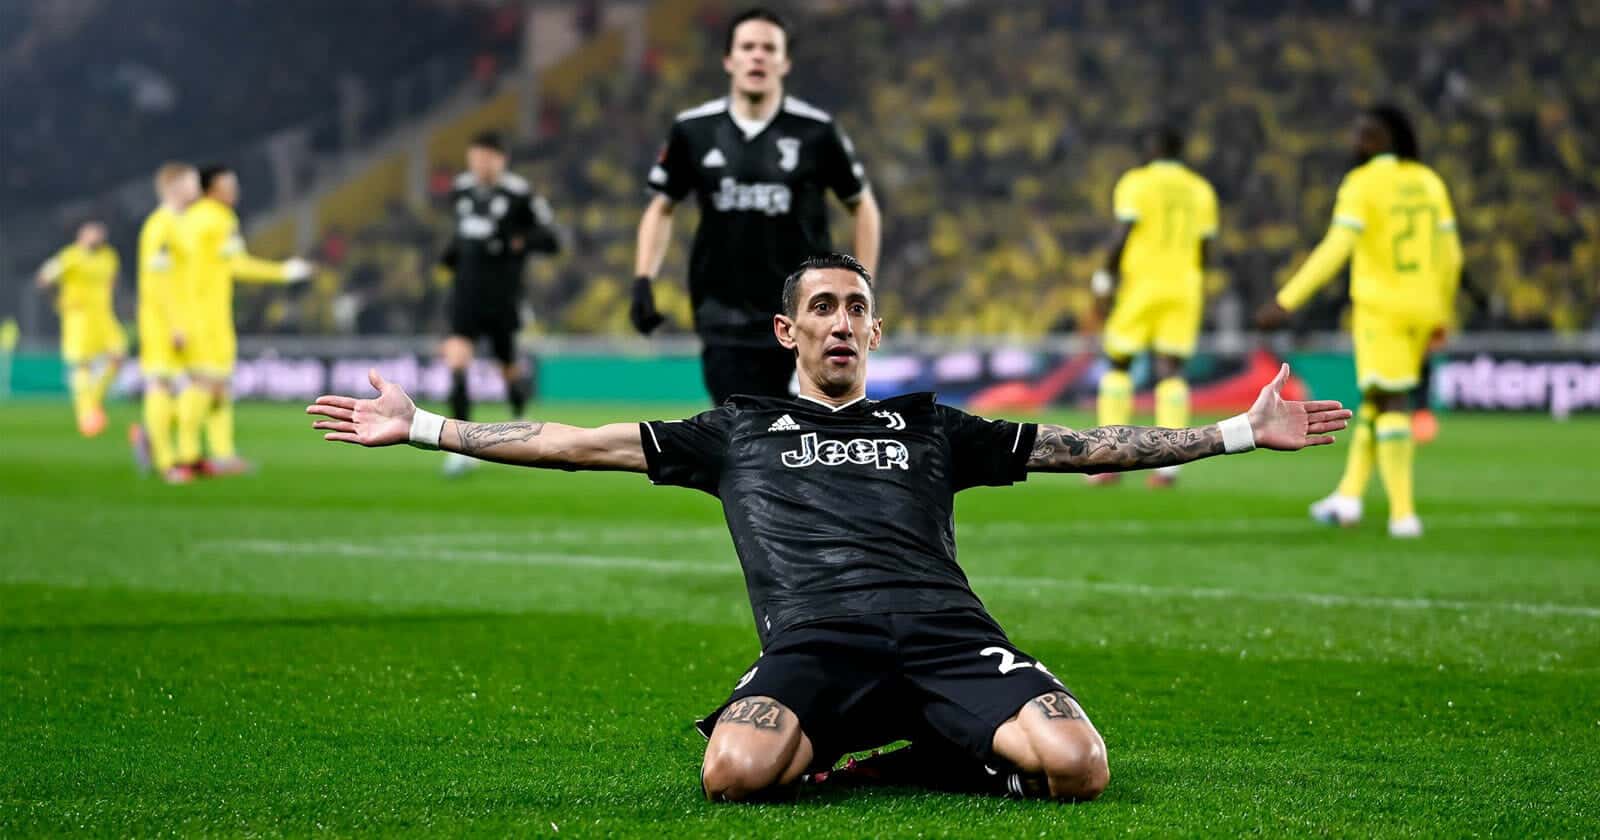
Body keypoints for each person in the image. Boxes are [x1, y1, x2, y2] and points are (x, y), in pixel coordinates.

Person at [307, 253, 1350, 803]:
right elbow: (573, 442)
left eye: (856, 308)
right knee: (731, 776)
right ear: (788, 329)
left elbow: (1082, 445)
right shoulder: (736, 430)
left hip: (947, 635)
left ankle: (908, 751)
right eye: (823, 308)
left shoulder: (930, 425)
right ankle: (904, 740)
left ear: (875, 330)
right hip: (817, 643)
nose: (841, 322)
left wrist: (1237, 434)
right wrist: (425, 426)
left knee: (1080, 767)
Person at [631, 7, 881, 405]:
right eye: (748, 47)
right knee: (743, 429)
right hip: (723, 315)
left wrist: (861, 288)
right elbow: (662, 207)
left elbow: (862, 205)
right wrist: (643, 279)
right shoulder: (693, 131)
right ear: (729, 60)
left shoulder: (816, 132)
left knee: (808, 426)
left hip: (806, 314)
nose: (758, 56)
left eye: (769, 48)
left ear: (785, 62)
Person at [1257, 105, 1461, 538]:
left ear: (1383, 138)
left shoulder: (1363, 183)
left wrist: (1286, 300)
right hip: (1425, 305)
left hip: (1382, 308)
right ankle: (1348, 496)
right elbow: (1452, 255)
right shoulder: (1429, 182)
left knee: (1391, 402)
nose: (1355, 142)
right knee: (1375, 399)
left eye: (1363, 134)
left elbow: (1337, 247)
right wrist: (1441, 312)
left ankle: (1403, 515)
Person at [1089, 124, 1220, 488]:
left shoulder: (1137, 182)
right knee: (1171, 371)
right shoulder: (1201, 189)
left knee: (1119, 363)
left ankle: (1109, 460)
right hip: (1184, 287)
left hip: (1142, 285)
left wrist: (1104, 279)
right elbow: (1205, 249)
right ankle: (1168, 467)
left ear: (1155, 147)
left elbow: (1122, 234)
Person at [174, 164, 314, 477]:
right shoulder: (220, 219)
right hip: (206, 318)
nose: (235, 191)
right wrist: (283, 272)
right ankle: (186, 456)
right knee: (206, 383)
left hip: (198, 314)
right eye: (229, 185)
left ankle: (219, 455)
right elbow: (238, 265)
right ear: (212, 189)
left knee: (217, 386)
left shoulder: (189, 219)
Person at [438, 131, 560, 477]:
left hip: (503, 297)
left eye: (486, 157)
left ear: (500, 160)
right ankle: (461, 448)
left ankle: (520, 420)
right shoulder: (461, 190)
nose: (480, 164)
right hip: (465, 294)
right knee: (457, 363)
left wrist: (518, 241)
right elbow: (461, 235)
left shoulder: (520, 195)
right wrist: (452, 254)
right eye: (474, 157)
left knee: (508, 367)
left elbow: (551, 240)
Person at [129, 162, 201, 482]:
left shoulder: (181, 223)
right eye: (192, 182)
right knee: (160, 383)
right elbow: (157, 284)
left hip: (183, 319)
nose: (197, 188)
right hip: (163, 321)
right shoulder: (159, 226)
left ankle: (149, 435)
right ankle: (166, 462)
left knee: (189, 387)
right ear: (174, 187)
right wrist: (174, 324)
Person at [36, 220, 124, 437]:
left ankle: (93, 403)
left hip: (104, 316)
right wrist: (58, 302)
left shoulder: (109, 256)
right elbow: (43, 279)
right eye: (92, 233)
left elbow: (113, 281)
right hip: (79, 318)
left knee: (118, 356)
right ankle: (86, 414)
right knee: (82, 365)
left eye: (100, 234)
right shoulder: (69, 257)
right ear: (81, 236)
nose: (97, 237)